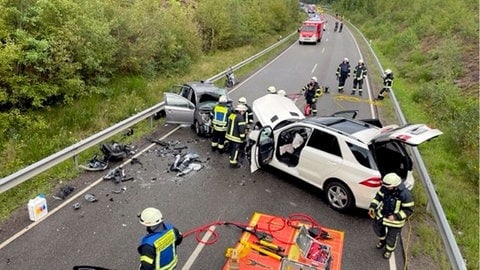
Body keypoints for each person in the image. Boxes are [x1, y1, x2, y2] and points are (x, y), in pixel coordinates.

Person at [368, 173, 414, 259]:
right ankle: (382, 241)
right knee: (378, 230)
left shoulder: (405, 195)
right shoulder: (385, 188)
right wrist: (372, 207)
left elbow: (409, 210)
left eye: (387, 186)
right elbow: (378, 197)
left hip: (395, 222)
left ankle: (388, 250)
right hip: (382, 215)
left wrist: (395, 217)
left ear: (395, 185)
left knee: (391, 237)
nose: (385, 187)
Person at [225, 104, 247, 168]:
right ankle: (233, 163)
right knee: (235, 149)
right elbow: (241, 129)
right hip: (236, 137)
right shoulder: (240, 117)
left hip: (229, 136)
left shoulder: (232, 115)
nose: (243, 113)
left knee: (231, 148)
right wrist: (243, 137)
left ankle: (231, 157)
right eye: (243, 111)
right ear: (240, 111)